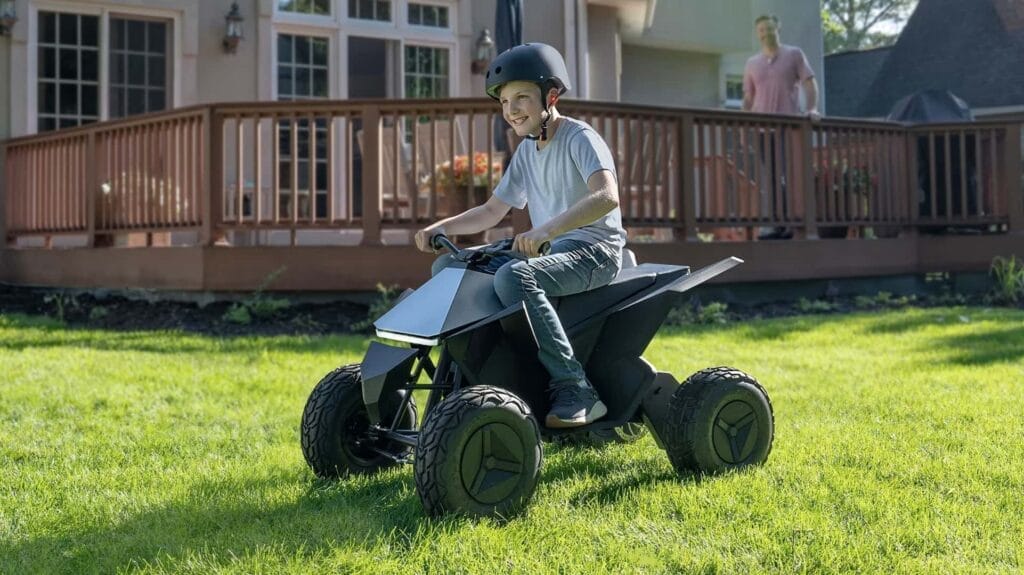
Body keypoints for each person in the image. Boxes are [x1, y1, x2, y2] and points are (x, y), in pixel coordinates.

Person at [413, 43, 625, 429]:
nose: (511, 110)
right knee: (450, 265)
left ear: (551, 97)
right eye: (505, 101)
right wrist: (443, 227)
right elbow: (493, 210)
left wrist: (547, 228)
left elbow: (607, 196)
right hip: (551, 249)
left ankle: (577, 388)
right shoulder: (528, 152)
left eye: (522, 98)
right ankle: (467, 378)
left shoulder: (580, 138)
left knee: (514, 276)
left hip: (595, 251)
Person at [742, 14, 820, 240]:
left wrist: (812, 109)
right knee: (772, 178)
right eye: (761, 30)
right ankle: (778, 225)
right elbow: (748, 97)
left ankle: (788, 224)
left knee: (788, 176)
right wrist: (743, 123)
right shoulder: (752, 63)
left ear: (778, 28)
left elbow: (809, 82)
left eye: (769, 28)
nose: (766, 33)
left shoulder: (793, 54)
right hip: (762, 129)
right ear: (758, 34)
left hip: (789, 127)